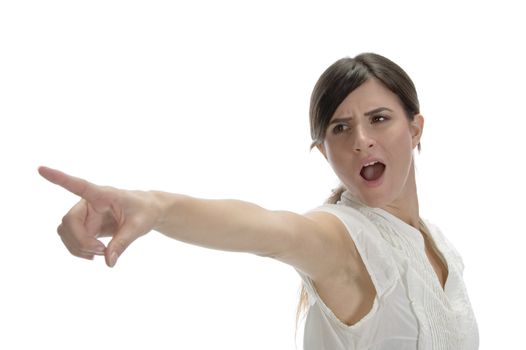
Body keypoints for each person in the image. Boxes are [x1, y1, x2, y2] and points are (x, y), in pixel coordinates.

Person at [38, 52, 479, 349]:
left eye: (378, 119)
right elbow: (269, 229)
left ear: (416, 127)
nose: (361, 141)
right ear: (323, 151)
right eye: (340, 129)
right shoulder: (343, 239)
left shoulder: (439, 245)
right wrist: (156, 208)